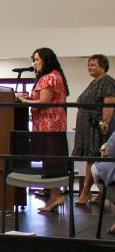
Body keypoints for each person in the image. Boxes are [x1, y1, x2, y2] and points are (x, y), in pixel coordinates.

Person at [17, 47, 70, 212]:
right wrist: (29, 98)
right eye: (33, 59)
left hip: (48, 126)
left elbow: (45, 101)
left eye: (37, 59)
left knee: (51, 161)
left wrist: (24, 101)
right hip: (55, 125)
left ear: (46, 60)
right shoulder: (57, 75)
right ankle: (54, 195)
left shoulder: (48, 78)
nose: (35, 63)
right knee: (52, 161)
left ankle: (55, 196)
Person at [72, 54, 115, 205]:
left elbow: (108, 104)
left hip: (97, 127)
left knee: (95, 158)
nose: (89, 67)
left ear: (103, 67)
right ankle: (102, 193)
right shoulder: (94, 82)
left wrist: (104, 124)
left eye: (93, 65)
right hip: (88, 126)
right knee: (94, 159)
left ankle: (85, 192)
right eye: (88, 65)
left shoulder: (106, 81)